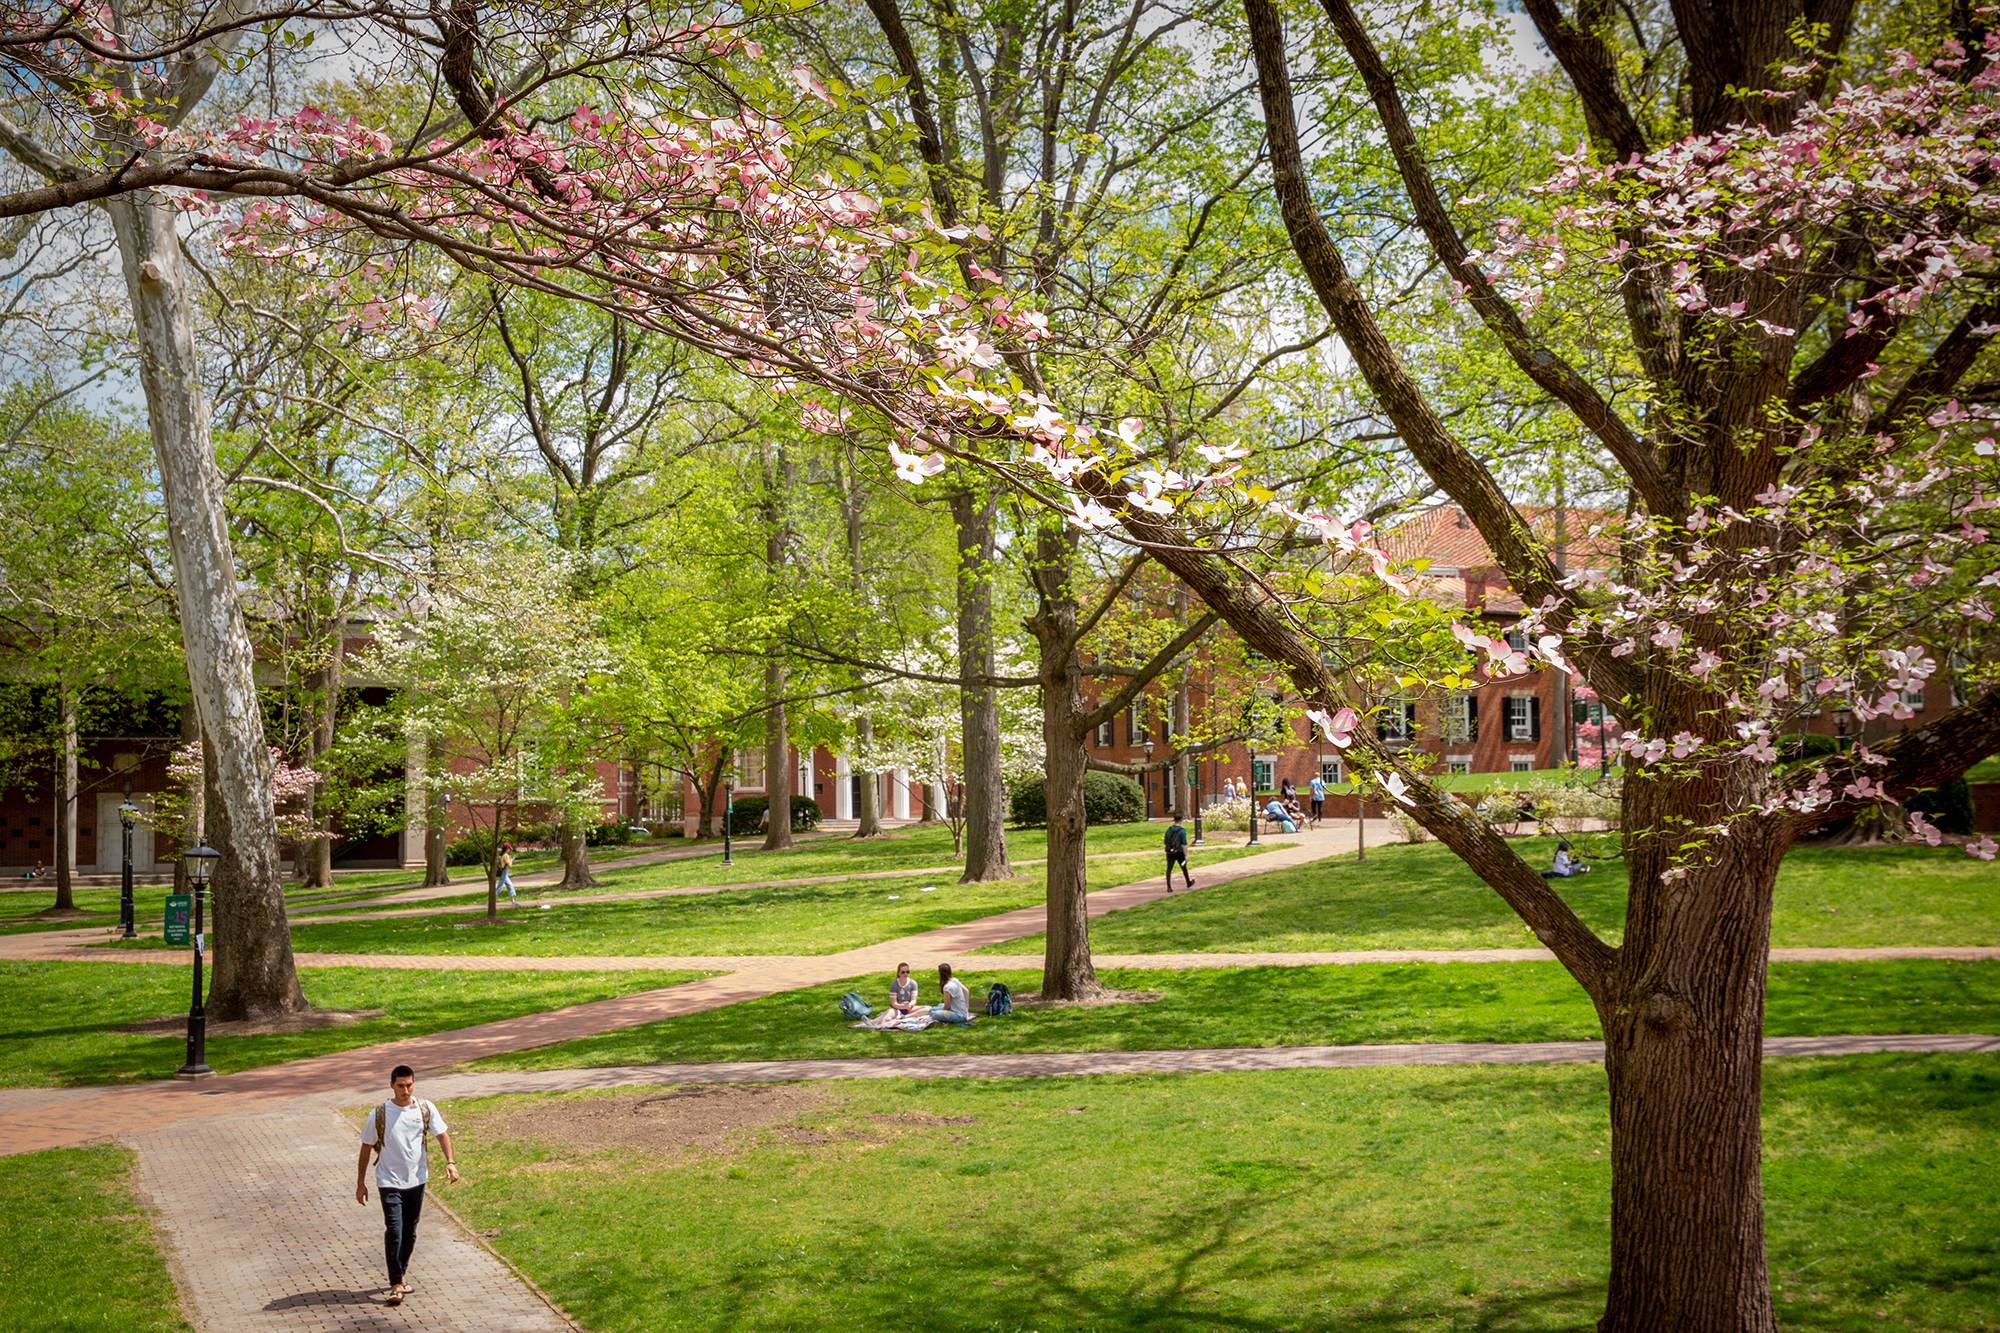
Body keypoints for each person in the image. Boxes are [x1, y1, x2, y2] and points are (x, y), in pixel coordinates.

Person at [356, 1064, 459, 1307]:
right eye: (401, 1085)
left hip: (417, 1179)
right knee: (394, 1230)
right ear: (391, 1085)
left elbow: (442, 1134)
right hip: (388, 1180)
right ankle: (395, 1284)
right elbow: (365, 1147)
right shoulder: (379, 1114)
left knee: (410, 1231)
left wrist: (451, 1162)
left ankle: (401, 1273)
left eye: (409, 1085)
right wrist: (360, 1183)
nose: (405, 1090)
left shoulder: (425, 1109)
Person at [1163, 811, 1194, 893]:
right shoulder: (1182, 831)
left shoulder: (1168, 830)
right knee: (1184, 868)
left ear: (1174, 820)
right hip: (1179, 852)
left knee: (1169, 869)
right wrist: (1186, 855)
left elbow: (1165, 841)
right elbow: (1184, 844)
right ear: (1181, 820)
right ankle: (1188, 882)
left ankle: (1169, 887)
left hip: (1169, 852)